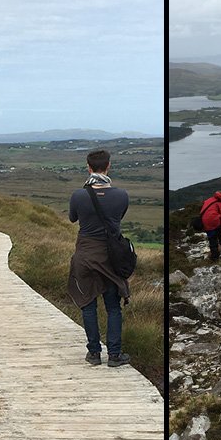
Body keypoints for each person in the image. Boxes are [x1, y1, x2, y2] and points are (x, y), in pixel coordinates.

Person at [67, 149, 131, 367]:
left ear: (88, 166)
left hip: (85, 255)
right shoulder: (122, 195)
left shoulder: (78, 195)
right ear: (109, 166)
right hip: (111, 258)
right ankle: (114, 355)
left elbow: (73, 218)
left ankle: (94, 353)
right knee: (113, 307)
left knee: (88, 305)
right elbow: (117, 219)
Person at [200, 191, 221, 261]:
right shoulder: (219, 203)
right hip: (215, 221)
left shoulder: (209, 200)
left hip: (205, 222)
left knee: (212, 240)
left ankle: (214, 258)